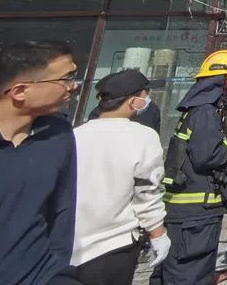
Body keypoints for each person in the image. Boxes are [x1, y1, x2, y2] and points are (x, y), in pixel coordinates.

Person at [0, 41, 80, 285]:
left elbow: (62, 212)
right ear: (20, 91)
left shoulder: (58, 134)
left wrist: (59, 273)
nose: (73, 87)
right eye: (65, 78)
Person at [152, 50, 227, 285]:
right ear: (224, 80)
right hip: (196, 213)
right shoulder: (205, 113)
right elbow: (207, 156)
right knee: (191, 274)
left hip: (189, 210)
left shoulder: (197, 112)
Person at [72, 69, 171, 285]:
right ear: (132, 101)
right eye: (144, 95)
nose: (147, 100)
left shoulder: (75, 135)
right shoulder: (142, 136)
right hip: (115, 243)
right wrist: (158, 233)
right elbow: (147, 192)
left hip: (73, 245)